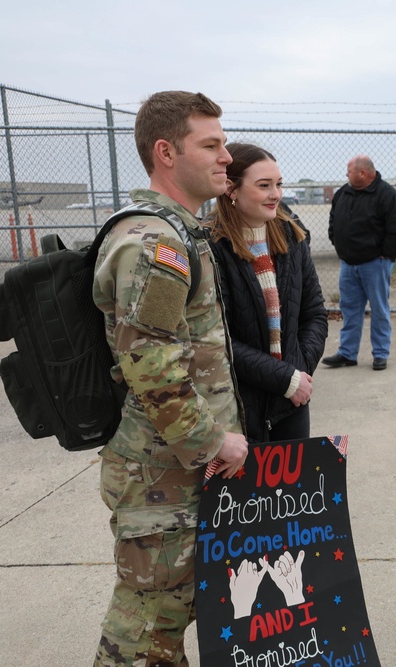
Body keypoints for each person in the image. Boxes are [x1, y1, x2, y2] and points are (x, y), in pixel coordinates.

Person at [91, 91, 250, 666]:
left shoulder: (178, 232)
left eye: (224, 143)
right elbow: (150, 362)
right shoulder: (156, 242)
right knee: (148, 620)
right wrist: (211, 440)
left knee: (170, 611)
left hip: (176, 466)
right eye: (210, 144)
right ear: (165, 152)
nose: (226, 157)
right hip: (160, 470)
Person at [208, 142, 329, 442]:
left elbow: (314, 314)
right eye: (264, 185)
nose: (276, 194)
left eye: (278, 184)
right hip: (237, 406)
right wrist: (285, 378)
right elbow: (216, 338)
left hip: (292, 401)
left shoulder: (291, 235)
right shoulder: (211, 247)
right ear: (230, 189)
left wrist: (298, 371)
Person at [323, 154, 396, 371]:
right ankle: (347, 353)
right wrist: (336, 240)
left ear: (363, 173)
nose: (346, 173)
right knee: (350, 309)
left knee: (379, 310)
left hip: (375, 264)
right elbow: (334, 219)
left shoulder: (387, 196)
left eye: (349, 170)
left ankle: (380, 354)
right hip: (348, 264)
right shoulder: (343, 193)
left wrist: (387, 254)